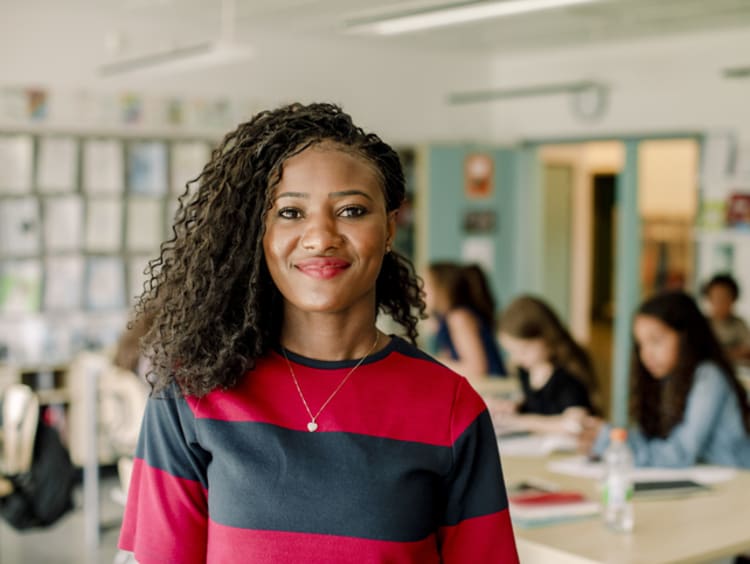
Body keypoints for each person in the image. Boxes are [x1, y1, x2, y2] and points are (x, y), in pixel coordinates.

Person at [118, 102, 519, 563]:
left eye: (351, 210)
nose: (320, 236)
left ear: (389, 229)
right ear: (258, 232)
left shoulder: (451, 408)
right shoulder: (190, 392)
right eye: (290, 213)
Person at [579, 291, 750, 468]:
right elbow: (652, 440)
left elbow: (680, 453)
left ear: (686, 337)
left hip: (736, 484)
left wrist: (608, 440)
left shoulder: (708, 378)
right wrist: (609, 440)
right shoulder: (666, 378)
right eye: (641, 344)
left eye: (656, 341)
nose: (646, 354)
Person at [492, 295, 598, 434]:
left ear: (547, 338)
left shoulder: (567, 375)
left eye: (523, 351)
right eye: (511, 352)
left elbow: (575, 424)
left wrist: (523, 421)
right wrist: (516, 406)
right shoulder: (526, 370)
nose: (516, 359)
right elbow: (539, 403)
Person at [423, 262, 506, 379]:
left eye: (426, 285)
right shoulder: (445, 320)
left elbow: (476, 370)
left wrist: (429, 363)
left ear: (443, 289)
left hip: (491, 390)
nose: (420, 291)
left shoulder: (459, 318)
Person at [702, 273, 750, 364]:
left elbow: (747, 349)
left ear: (733, 299)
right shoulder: (701, 323)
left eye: (724, 298)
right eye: (716, 298)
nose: (720, 303)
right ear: (709, 299)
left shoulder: (739, 324)